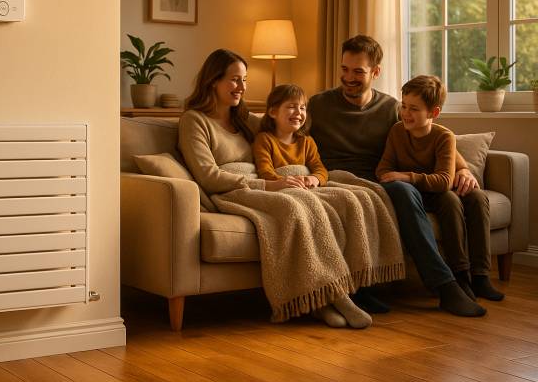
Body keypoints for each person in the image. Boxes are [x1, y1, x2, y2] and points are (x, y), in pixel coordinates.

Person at [177, 48, 388, 328]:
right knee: (292, 205)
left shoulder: (245, 119)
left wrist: (309, 173)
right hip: (231, 190)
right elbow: (208, 176)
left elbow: (283, 134)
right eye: (235, 80)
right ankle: (335, 294)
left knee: (328, 199)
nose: (242, 87)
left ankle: (320, 301)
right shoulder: (194, 121)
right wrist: (268, 184)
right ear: (213, 80)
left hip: (261, 185)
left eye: (244, 80)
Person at [308, 35, 485, 317]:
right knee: (397, 190)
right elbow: (289, 136)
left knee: (407, 190)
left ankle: (448, 284)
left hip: (379, 181)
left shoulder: (391, 108)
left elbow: (432, 135)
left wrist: (462, 168)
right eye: (344, 69)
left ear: (376, 72)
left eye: (358, 71)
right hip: (336, 180)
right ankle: (443, 285)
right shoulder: (318, 105)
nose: (348, 78)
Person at [376, 75, 503, 313]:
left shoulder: (443, 136)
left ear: (433, 112)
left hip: (435, 188)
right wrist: (402, 179)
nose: (406, 113)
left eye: (414, 109)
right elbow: (383, 169)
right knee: (450, 200)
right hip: (420, 195)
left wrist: (407, 176)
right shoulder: (397, 132)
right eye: (404, 106)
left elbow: (444, 180)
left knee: (477, 197)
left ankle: (480, 276)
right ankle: (460, 273)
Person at [252, 84, 328, 191]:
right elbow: (265, 172)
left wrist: (314, 179)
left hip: (304, 188)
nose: (299, 112)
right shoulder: (264, 139)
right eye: (292, 107)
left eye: (302, 108)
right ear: (273, 112)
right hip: (282, 188)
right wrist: (287, 182)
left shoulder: (307, 141)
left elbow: (320, 169)